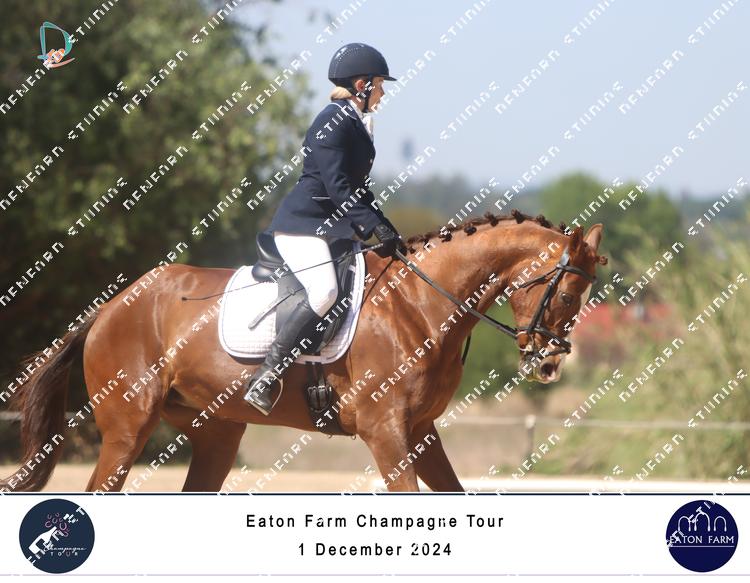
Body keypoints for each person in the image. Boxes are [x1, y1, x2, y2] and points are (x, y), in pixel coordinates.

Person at [244, 42, 407, 415]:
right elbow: (338, 187)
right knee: (325, 291)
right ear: (362, 85)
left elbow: (359, 189)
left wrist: (385, 227)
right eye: (380, 85)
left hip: (329, 228)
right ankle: (266, 375)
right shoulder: (332, 121)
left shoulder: (354, 121)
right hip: (303, 227)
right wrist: (371, 226)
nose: (382, 93)